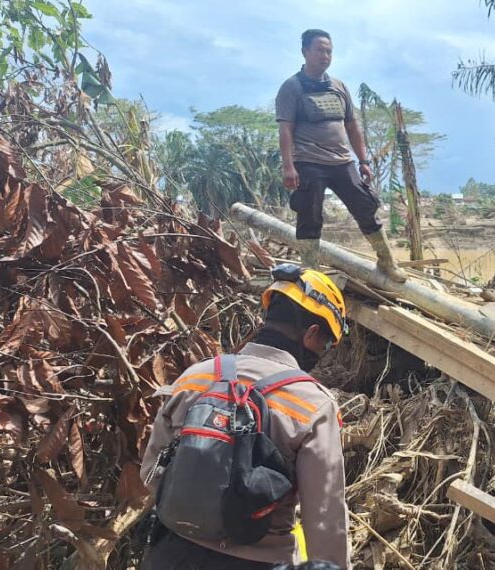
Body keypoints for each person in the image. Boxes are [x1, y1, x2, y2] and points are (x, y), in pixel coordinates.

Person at [141, 265, 351, 568]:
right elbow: (325, 515)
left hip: (171, 553)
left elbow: (151, 472)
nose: (323, 351)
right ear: (311, 333)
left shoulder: (195, 376)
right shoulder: (313, 403)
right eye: (326, 343)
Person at [276, 29, 407, 283]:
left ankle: (387, 262)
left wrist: (364, 161)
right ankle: (312, 272)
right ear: (305, 52)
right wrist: (288, 166)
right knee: (309, 215)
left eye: (329, 51)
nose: (325, 55)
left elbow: (352, 127)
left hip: (343, 162)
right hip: (308, 162)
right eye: (319, 50)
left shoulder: (339, 86)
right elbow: (285, 129)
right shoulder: (291, 88)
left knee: (366, 207)